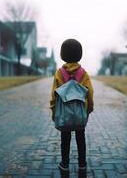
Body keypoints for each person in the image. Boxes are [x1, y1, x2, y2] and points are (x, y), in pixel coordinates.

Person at [50, 39, 94, 172]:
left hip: (64, 115)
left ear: (63, 54)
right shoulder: (84, 74)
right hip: (80, 114)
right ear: (79, 54)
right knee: (81, 138)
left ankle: (65, 164)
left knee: (65, 139)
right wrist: (88, 109)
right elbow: (90, 93)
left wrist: (53, 111)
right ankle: (82, 164)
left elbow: (54, 95)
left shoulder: (59, 74)